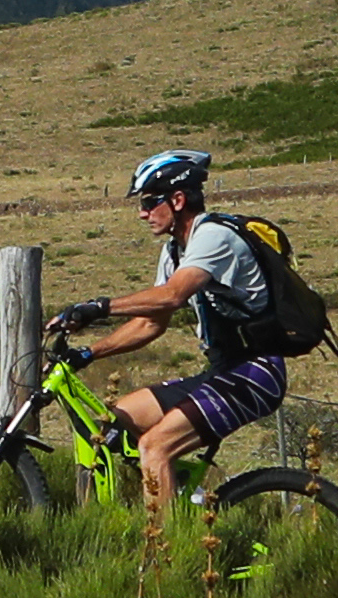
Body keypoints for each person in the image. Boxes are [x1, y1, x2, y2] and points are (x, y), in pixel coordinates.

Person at [60, 147, 285, 522]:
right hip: (221, 371)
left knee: (155, 447)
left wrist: (98, 307)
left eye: (150, 202)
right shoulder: (175, 250)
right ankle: (167, 502)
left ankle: (165, 556)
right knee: (110, 423)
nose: (142, 213)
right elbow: (152, 322)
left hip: (254, 374)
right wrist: (89, 353)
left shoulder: (213, 238)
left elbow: (173, 294)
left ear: (178, 200)